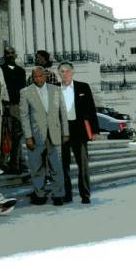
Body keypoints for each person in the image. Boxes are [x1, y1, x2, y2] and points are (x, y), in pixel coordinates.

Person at [20, 66, 69, 205]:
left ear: (45, 76)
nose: (38, 79)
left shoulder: (56, 90)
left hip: (55, 133)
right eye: (35, 77)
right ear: (32, 78)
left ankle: (58, 195)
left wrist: (66, 132)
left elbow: (63, 113)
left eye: (41, 76)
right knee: (37, 167)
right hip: (35, 136)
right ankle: (40, 195)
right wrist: (28, 137)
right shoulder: (25, 92)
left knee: (57, 166)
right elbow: (24, 116)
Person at [58, 61, 99, 204]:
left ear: (72, 72)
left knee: (83, 164)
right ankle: (67, 194)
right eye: (62, 71)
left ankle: (85, 194)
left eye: (67, 70)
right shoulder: (55, 89)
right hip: (62, 131)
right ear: (59, 73)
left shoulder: (83, 87)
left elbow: (91, 109)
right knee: (63, 165)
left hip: (79, 130)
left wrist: (94, 130)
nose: (65, 73)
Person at [0, 46, 27, 174]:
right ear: (4, 55)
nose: (10, 55)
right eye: (7, 53)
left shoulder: (21, 71)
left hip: (18, 105)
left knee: (18, 136)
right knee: (6, 135)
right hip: (5, 105)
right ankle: (4, 163)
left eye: (12, 53)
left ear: (15, 55)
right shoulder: (1, 69)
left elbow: (23, 89)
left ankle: (16, 163)